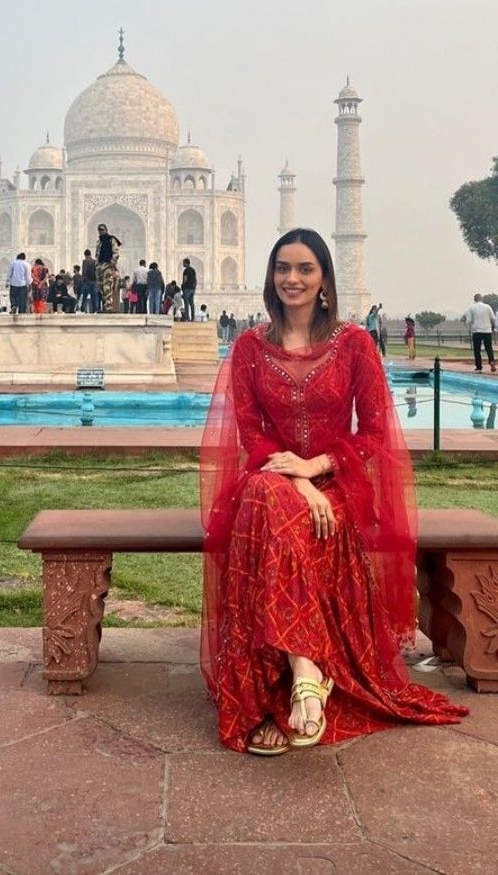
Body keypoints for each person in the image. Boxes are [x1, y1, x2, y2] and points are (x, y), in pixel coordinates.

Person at [200, 226, 467, 757]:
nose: (291, 279)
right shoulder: (251, 347)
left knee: (268, 505)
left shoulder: (354, 344)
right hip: (275, 475)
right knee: (266, 497)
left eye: (304, 269)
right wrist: (300, 480)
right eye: (283, 268)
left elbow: (371, 433)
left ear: (324, 279)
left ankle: (281, 690)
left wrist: (318, 468)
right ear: (270, 278)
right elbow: (251, 436)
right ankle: (305, 672)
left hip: (339, 481)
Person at [463, 294, 496, 373]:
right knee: (489, 347)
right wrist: (492, 326)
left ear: (474, 300)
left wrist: (468, 324)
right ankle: (491, 361)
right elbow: (493, 318)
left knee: (477, 350)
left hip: (477, 331)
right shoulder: (488, 307)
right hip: (487, 330)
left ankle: (479, 367)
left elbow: (469, 320)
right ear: (482, 299)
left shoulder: (471, 308)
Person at [96, 223, 121, 312]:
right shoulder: (99, 241)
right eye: (99, 230)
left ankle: (108, 307)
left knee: (107, 286)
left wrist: (112, 263)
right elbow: (97, 254)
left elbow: (116, 253)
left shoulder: (111, 240)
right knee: (101, 287)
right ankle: (105, 305)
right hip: (100, 266)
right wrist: (97, 265)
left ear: (106, 230)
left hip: (108, 266)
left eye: (102, 229)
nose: (101, 231)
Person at [181, 257, 197, 322]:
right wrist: (194, 288)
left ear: (186, 263)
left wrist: (182, 285)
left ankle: (187, 318)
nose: (183, 264)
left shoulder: (186, 270)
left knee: (186, 304)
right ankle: (193, 318)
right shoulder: (193, 270)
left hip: (186, 288)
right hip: (192, 289)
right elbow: (195, 280)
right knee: (192, 304)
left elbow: (185, 279)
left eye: (183, 263)